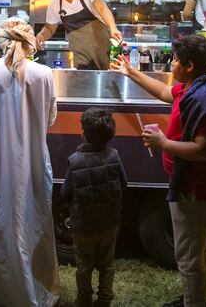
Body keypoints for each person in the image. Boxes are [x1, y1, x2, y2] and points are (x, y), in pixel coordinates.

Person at [110, 35, 206, 307]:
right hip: (192, 185)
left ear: (189, 65)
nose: (172, 64)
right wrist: (131, 72)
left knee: (187, 255)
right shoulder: (192, 86)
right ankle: (197, 298)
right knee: (197, 248)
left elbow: (205, 150)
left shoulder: (203, 99)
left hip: (198, 189)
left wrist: (163, 142)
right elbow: (166, 93)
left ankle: (194, 303)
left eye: (176, 60)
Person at [0, 17, 60, 307]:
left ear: (2, 40)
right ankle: (35, 283)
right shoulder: (44, 74)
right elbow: (51, 117)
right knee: (34, 219)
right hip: (33, 161)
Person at [61, 108, 127, 307]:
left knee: (84, 265)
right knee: (107, 264)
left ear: (84, 133)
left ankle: (84, 299)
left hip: (84, 225)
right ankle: (105, 299)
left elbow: (65, 192)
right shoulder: (114, 155)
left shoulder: (75, 161)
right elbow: (124, 183)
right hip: (109, 222)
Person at [35, 0, 123, 70]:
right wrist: (41, 35)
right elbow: (49, 28)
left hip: (108, 53)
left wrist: (113, 28)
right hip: (83, 60)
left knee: (113, 83)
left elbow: (101, 7)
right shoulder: (55, 3)